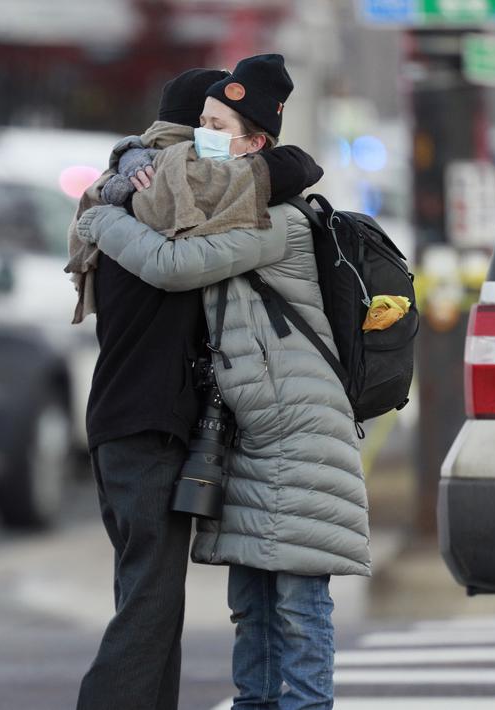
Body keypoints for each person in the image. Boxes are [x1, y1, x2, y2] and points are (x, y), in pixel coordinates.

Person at [76, 54, 370, 710]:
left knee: (293, 606)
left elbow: (176, 264)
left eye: (218, 125)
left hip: (295, 428)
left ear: (253, 144)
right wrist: (125, 164)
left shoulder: (268, 217)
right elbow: (175, 188)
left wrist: (97, 214)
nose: (203, 139)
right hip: (247, 431)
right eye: (200, 123)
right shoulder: (218, 198)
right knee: (252, 607)